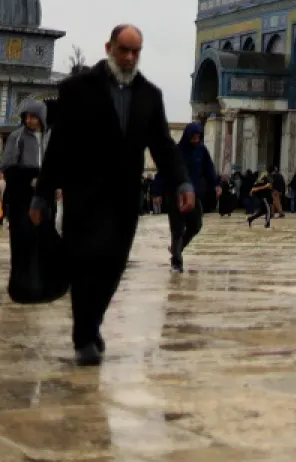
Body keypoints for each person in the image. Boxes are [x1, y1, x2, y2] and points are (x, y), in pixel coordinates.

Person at [29, 25, 193, 365]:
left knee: (113, 264)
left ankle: (91, 322)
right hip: (83, 194)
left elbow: (163, 146)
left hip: (124, 198)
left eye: (136, 52)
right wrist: (43, 193)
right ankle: (85, 336)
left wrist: (182, 183)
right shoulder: (78, 89)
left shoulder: (149, 96)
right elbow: (60, 145)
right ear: (109, 47)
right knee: (84, 261)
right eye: (124, 50)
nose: (130, 58)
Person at [1, 99, 50, 281]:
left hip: (43, 195)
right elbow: (7, 166)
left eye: (34, 117)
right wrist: (29, 178)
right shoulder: (17, 137)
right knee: (21, 235)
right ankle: (20, 277)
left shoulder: (47, 137)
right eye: (27, 117)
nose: (30, 121)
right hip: (21, 195)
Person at [167, 122, 218, 271]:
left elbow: (209, 169)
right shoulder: (176, 152)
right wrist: (157, 191)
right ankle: (176, 263)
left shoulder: (202, 151)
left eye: (198, 137)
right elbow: (165, 172)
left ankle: (178, 249)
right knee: (177, 229)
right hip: (176, 194)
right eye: (193, 137)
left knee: (196, 225)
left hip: (194, 195)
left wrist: (216, 184)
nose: (196, 140)